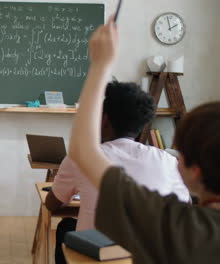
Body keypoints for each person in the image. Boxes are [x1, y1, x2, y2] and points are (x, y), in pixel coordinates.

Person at [68, 15, 220, 263]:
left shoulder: (175, 227)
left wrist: (100, 65)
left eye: (179, 154)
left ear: (195, 171)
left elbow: (82, 151)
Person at [46, 82, 190, 263]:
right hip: (153, 254)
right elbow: (184, 208)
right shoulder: (168, 161)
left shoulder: (82, 158)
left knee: (66, 227)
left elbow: (52, 204)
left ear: (104, 119)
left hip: (100, 254)